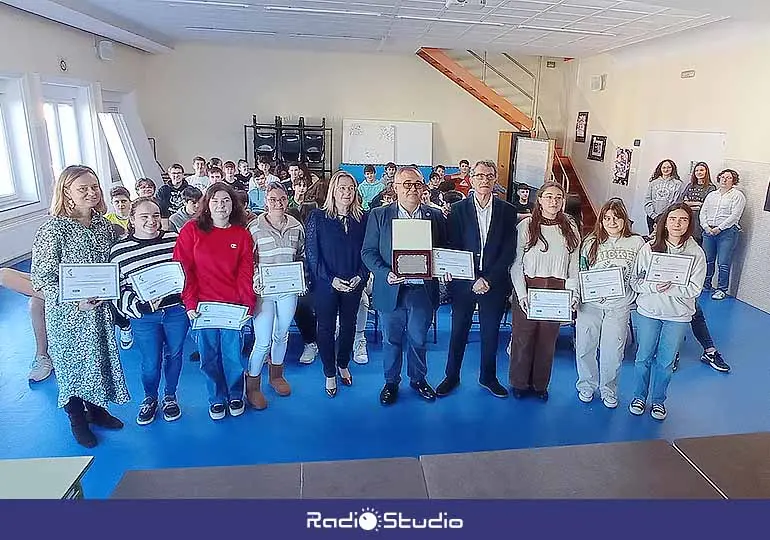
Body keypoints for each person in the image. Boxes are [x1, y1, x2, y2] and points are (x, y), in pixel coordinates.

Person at [31, 165, 129, 447]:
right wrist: (72, 299)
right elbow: (41, 278)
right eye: (82, 188)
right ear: (66, 193)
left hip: (99, 310)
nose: (91, 192)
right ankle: (76, 417)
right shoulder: (53, 229)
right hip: (68, 315)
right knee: (72, 364)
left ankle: (97, 410)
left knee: (97, 359)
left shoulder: (104, 226)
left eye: (94, 187)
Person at [362, 166, 447, 405]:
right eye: (406, 184)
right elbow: (368, 252)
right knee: (391, 340)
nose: (412, 189)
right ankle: (391, 382)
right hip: (391, 289)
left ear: (424, 188)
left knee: (419, 338)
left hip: (422, 289)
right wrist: (384, 272)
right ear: (395, 188)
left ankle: (418, 379)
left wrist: (446, 268)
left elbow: (443, 251)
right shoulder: (379, 215)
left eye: (417, 184)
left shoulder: (435, 216)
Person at [173, 182, 255, 421]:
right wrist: (189, 303)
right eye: (216, 200)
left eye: (226, 200)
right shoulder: (191, 230)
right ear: (206, 204)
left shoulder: (241, 235)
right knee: (208, 357)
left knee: (232, 355)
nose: (221, 205)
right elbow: (183, 269)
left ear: (233, 205)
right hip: (201, 308)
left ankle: (235, 394)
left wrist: (246, 305)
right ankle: (216, 398)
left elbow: (245, 272)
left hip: (232, 307)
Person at [436, 160, 517, 398]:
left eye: (489, 176)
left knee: (490, 333)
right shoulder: (458, 209)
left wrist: (488, 279)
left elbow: (508, 251)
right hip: (465, 283)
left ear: (495, 180)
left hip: (495, 283)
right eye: (480, 175)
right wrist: (473, 279)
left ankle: (488, 377)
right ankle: (451, 376)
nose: (484, 180)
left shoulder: (507, 210)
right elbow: (454, 246)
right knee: (458, 330)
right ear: (471, 179)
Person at [111, 198, 187, 425]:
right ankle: (150, 397)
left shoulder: (174, 240)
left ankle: (170, 396)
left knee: (175, 355)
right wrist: (139, 306)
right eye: (144, 216)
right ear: (132, 220)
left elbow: (188, 272)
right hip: (144, 317)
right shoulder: (119, 251)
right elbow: (117, 290)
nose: (151, 221)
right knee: (150, 361)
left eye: (155, 215)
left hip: (176, 312)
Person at [629, 203, 706, 421]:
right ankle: (638, 397)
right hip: (649, 311)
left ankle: (658, 401)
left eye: (683, 220)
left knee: (666, 362)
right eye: (673, 219)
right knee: (643, 357)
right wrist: (653, 286)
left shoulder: (696, 253)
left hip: (677, 316)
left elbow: (695, 288)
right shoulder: (649, 248)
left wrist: (671, 287)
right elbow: (635, 281)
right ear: (665, 221)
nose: (677, 224)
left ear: (689, 224)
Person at [509, 181, 580, 401]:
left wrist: (573, 294)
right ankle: (519, 383)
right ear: (539, 199)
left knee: (547, 341)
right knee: (523, 338)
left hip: (557, 290)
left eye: (558, 197)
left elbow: (573, 266)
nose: (554, 201)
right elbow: (516, 264)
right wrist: (521, 295)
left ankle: (540, 384)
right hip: (529, 289)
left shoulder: (570, 228)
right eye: (549, 196)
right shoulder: (526, 226)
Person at [575, 199, 644, 408]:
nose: (611, 222)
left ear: (624, 220)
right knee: (585, 346)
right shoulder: (590, 242)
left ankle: (609, 389)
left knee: (613, 351)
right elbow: (581, 272)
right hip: (591, 305)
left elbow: (641, 272)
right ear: (601, 220)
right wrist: (580, 295)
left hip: (619, 306)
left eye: (616, 217)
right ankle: (586, 385)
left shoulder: (637, 243)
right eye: (607, 218)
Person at [306, 171, 368, 397]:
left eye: (350, 188)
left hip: (354, 282)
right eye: (342, 187)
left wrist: (361, 276)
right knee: (326, 328)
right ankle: (330, 372)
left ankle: (343, 364)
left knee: (349, 327)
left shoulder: (363, 218)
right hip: (326, 283)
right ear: (333, 190)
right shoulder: (317, 217)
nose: (346, 192)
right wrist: (331, 279)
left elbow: (368, 252)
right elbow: (312, 255)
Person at [245, 182, 305, 409]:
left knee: (282, 334)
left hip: (288, 289)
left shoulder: (297, 226)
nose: (278, 203)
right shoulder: (254, 227)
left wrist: (301, 279)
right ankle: (252, 384)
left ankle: (276, 375)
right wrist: (254, 280)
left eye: (281, 198)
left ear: (287, 200)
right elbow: (247, 261)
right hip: (264, 292)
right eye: (272, 199)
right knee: (263, 340)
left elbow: (301, 255)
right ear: (265, 201)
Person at [700, 168, 746, 300]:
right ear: (719, 178)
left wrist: (720, 228)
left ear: (734, 181)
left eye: (729, 178)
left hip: (727, 232)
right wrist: (706, 226)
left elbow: (735, 215)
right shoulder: (712, 195)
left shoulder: (738, 195)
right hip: (708, 231)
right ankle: (706, 284)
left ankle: (721, 289)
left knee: (723, 262)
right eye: (723, 177)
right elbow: (704, 212)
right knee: (708, 260)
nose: (725, 180)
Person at [0, 268, 51, 382]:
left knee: (35, 303)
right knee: (3, 275)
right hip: (54, 280)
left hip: (74, 278)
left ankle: (42, 353)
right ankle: (42, 356)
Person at [644, 159, 682, 234]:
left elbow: (676, 202)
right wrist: (654, 216)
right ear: (660, 169)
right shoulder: (653, 183)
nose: (666, 169)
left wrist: (665, 216)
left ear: (673, 169)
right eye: (664, 167)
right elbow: (648, 200)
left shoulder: (678, 184)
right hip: (652, 217)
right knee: (653, 238)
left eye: (669, 167)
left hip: (668, 218)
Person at [156, 163, 190, 229]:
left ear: (183, 175)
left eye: (179, 173)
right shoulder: (163, 191)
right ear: (169, 175)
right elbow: (162, 211)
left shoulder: (189, 189)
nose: (176, 175)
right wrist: (165, 228)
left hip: (186, 221)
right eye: (174, 173)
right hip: (169, 222)